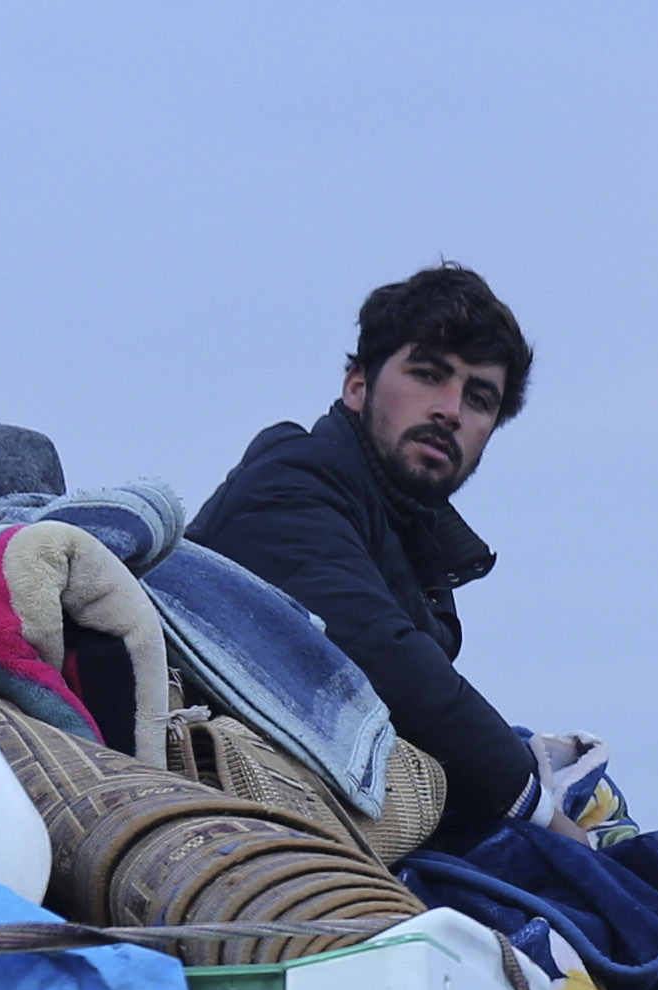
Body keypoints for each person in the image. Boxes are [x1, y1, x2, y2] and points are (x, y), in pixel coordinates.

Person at [192, 265, 538, 859]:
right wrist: (534, 800)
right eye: (429, 375)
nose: (451, 409)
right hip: (215, 834)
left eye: (480, 399)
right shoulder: (291, 481)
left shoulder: (408, 543)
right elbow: (380, 654)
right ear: (358, 386)